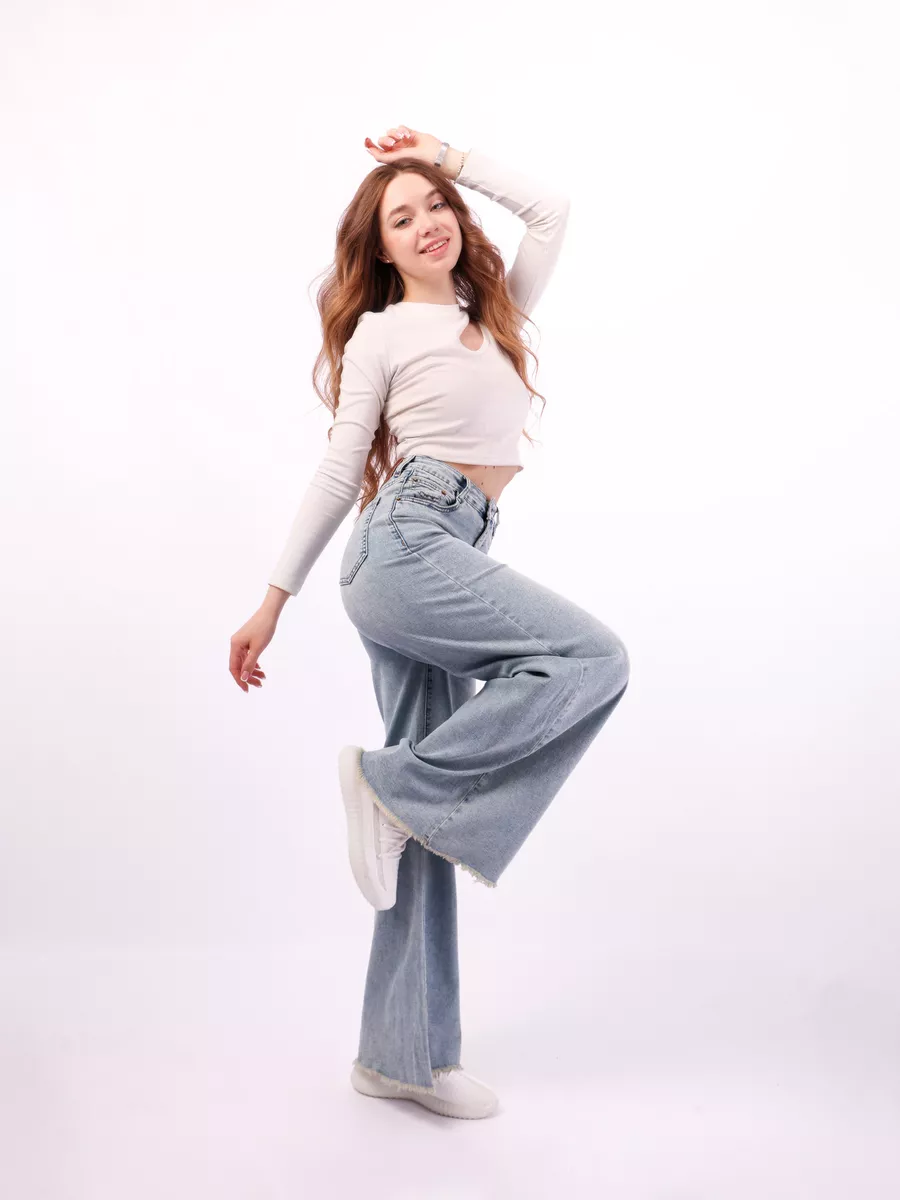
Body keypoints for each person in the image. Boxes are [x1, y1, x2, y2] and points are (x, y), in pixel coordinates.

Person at [229, 125, 630, 1119]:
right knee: (591, 657)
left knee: (415, 835)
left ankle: (402, 1056)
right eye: (400, 219)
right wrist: (272, 599)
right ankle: (389, 788)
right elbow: (340, 469)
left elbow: (551, 212)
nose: (426, 224)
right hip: (404, 548)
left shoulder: (495, 312)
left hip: (453, 551)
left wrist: (450, 155)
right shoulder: (380, 334)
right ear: (382, 249)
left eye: (435, 205)